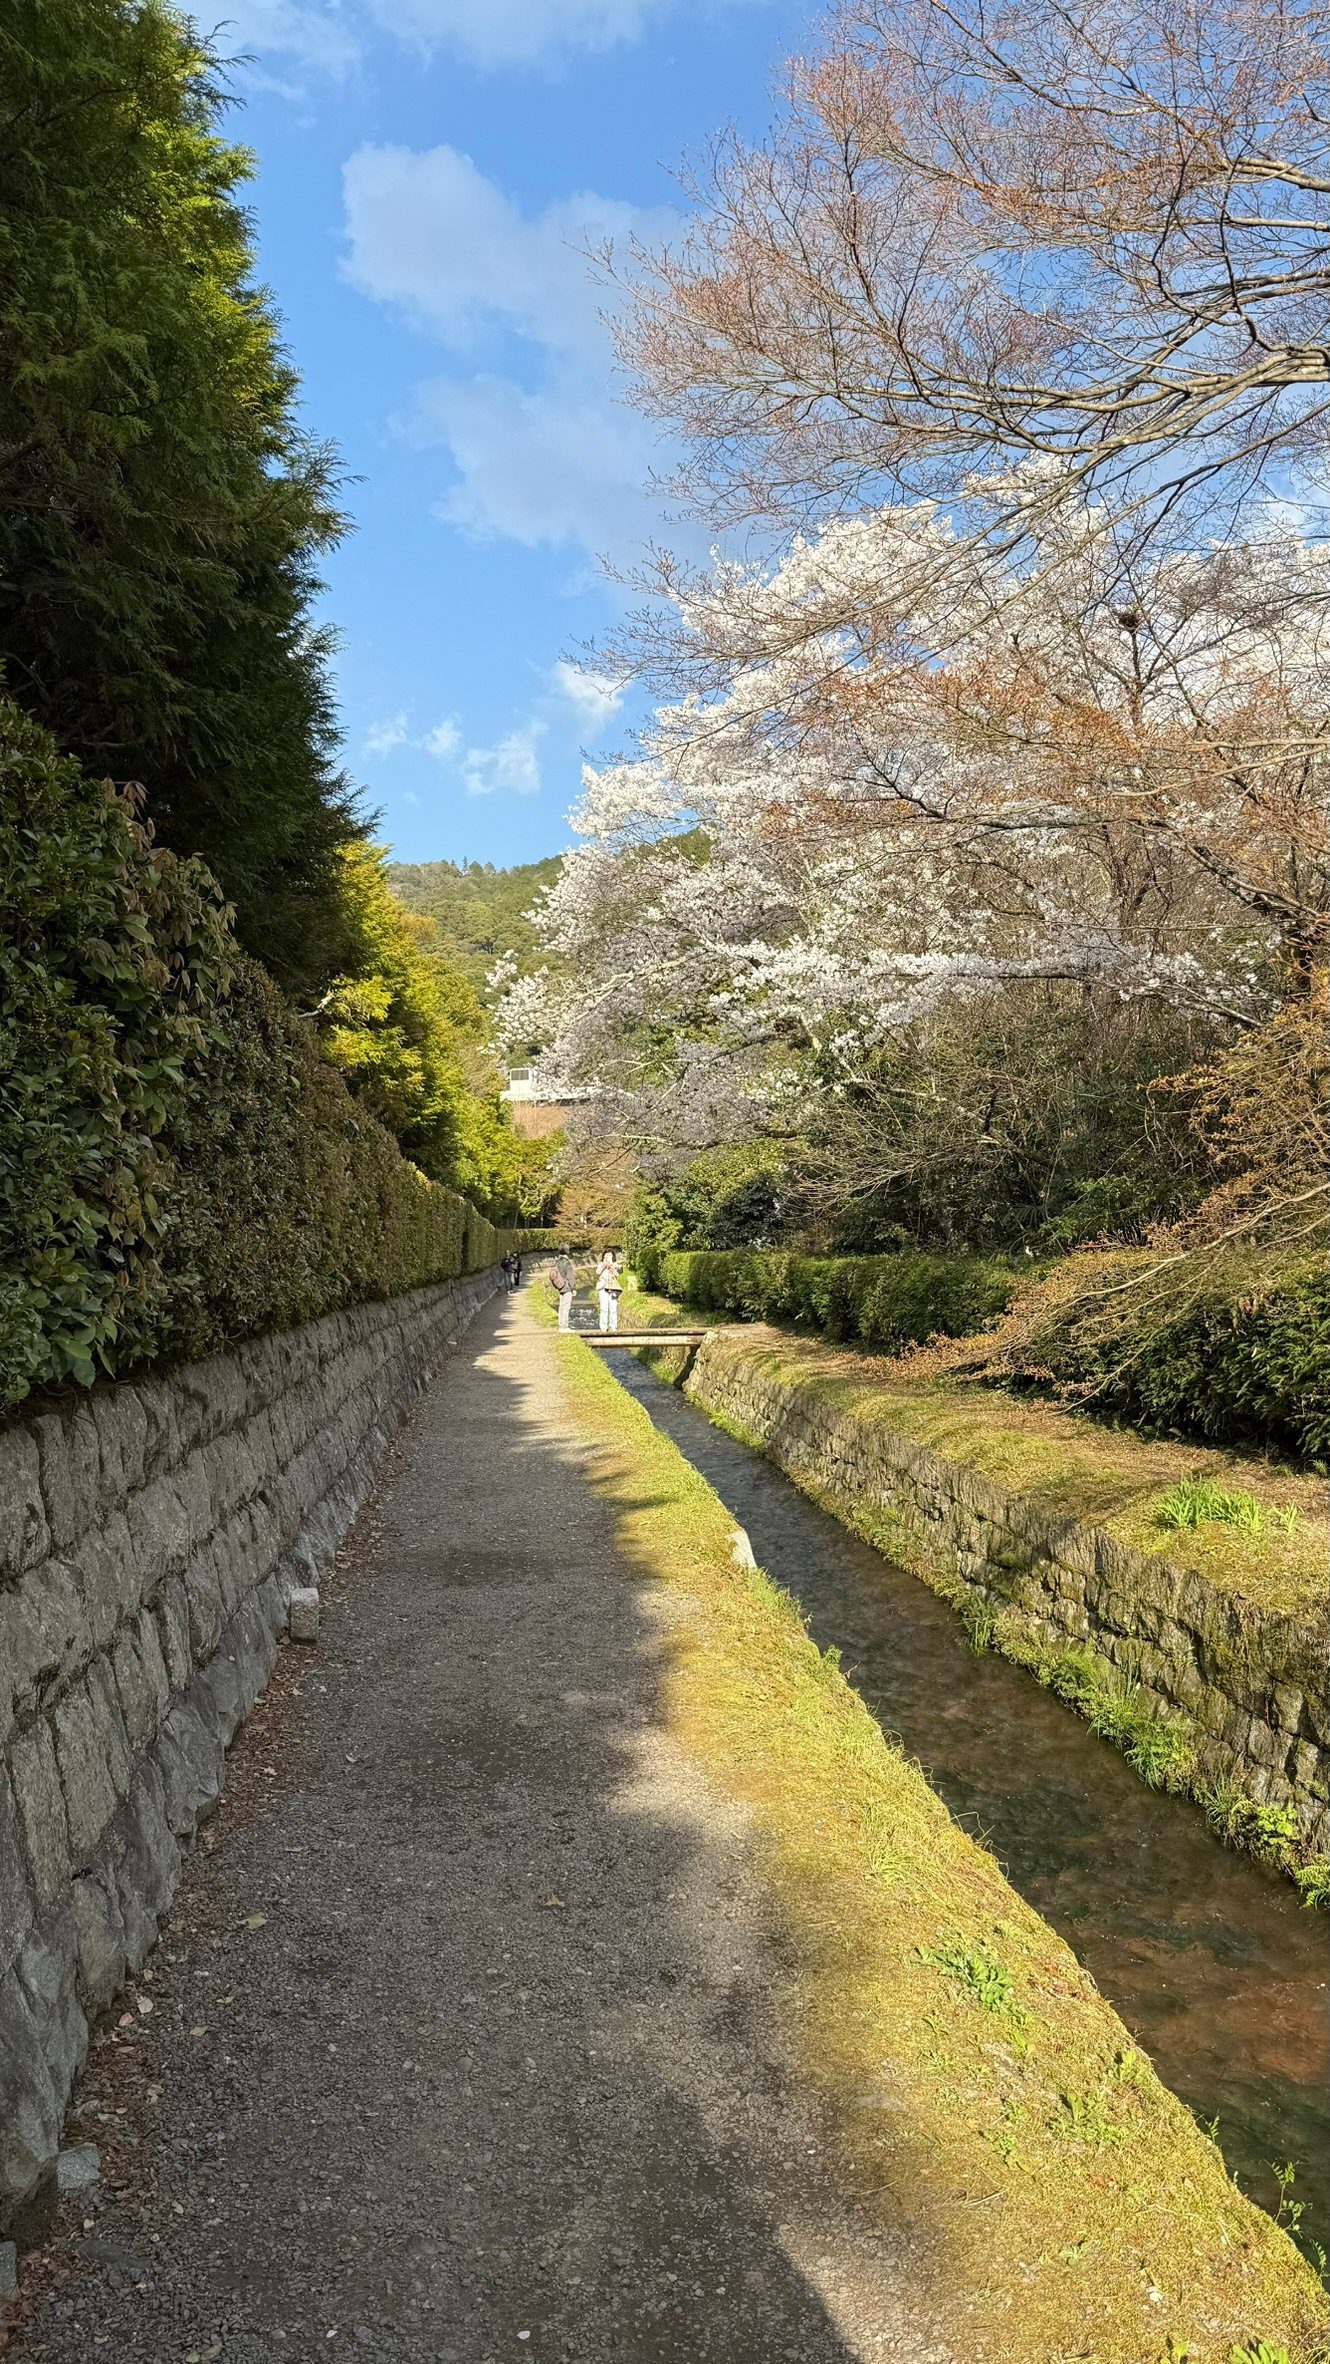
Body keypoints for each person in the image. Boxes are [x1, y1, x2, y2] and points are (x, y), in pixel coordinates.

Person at [549, 1247, 578, 1330]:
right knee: (566, 1307)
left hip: (560, 1286)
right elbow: (570, 1276)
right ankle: (564, 1326)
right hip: (567, 1287)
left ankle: (561, 1324)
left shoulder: (557, 1262)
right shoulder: (567, 1263)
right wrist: (573, 1288)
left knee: (561, 1306)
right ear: (567, 1252)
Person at [596, 1248, 624, 1334]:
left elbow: (617, 1274)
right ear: (603, 1256)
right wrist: (604, 1265)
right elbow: (597, 1272)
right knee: (604, 1308)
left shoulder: (615, 1264)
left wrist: (612, 1267)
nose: (608, 1257)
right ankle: (603, 1328)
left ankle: (614, 1327)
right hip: (603, 1287)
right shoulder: (601, 1264)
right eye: (606, 1255)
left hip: (613, 1288)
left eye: (610, 1255)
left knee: (613, 1308)